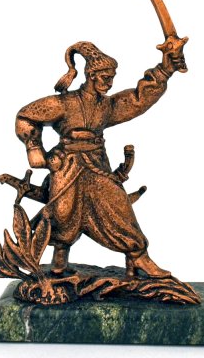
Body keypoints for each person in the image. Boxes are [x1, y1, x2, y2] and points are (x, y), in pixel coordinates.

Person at [15, 41, 181, 278]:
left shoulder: (108, 106)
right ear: (91, 75)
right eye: (105, 77)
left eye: (112, 78)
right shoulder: (63, 103)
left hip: (97, 165)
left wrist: (164, 70)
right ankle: (59, 265)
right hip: (66, 165)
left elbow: (138, 99)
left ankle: (138, 256)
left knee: (119, 206)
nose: (109, 83)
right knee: (63, 214)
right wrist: (34, 147)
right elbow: (25, 116)